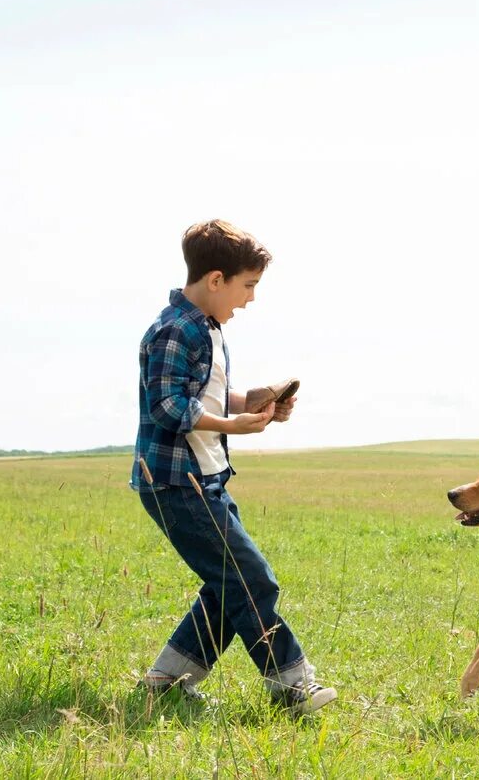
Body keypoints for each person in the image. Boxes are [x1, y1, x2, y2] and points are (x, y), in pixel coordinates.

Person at [129, 219, 336, 714]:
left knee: (231, 582)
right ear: (216, 279)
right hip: (176, 483)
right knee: (253, 581)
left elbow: (206, 394)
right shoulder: (174, 330)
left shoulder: (207, 328)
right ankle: (293, 687)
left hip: (205, 479)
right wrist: (232, 425)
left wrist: (255, 401)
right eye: (248, 286)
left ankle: (166, 681)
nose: (251, 299)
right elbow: (167, 406)